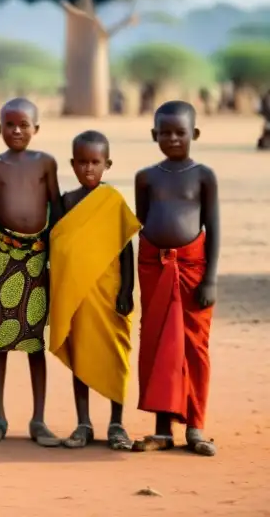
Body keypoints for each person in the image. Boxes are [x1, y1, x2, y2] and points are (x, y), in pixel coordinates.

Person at [132, 100, 219, 456]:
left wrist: (210, 278)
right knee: (156, 343)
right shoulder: (146, 177)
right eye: (164, 132)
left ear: (194, 134)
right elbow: (142, 221)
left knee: (194, 346)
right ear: (154, 135)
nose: (172, 138)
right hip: (154, 265)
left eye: (179, 132)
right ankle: (162, 429)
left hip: (192, 268)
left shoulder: (203, 175)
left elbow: (212, 227)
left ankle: (196, 426)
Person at [0, 98, 62, 447]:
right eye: (10, 125)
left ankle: (39, 419)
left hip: (36, 258)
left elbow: (55, 206)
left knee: (34, 341)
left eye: (24, 125)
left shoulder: (46, 163)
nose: (17, 131)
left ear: (36, 129)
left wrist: (57, 258)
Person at [48, 130, 139, 451]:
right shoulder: (65, 202)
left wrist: (127, 289)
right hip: (76, 296)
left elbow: (126, 250)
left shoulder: (112, 201)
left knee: (116, 356)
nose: (89, 169)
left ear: (107, 164)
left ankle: (117, 423)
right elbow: (56, 246)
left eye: (95, 162)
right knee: (81, 356)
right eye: (82, 162)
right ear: (72, 164)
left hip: (110, 292)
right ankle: (83, 422)